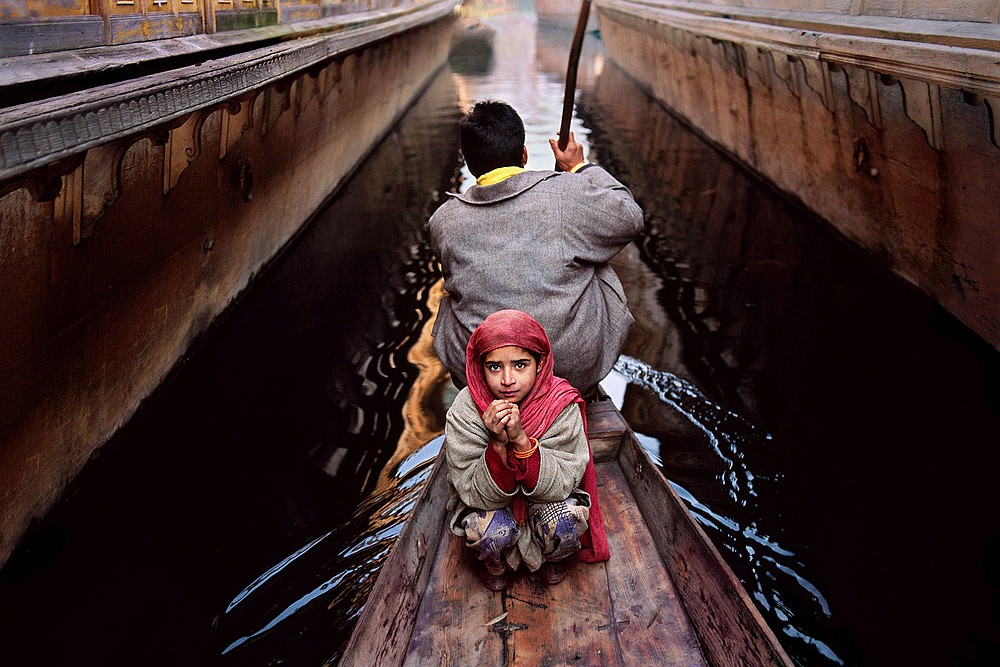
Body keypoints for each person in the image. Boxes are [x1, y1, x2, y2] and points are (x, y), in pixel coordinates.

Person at [429, 99, 644, 398]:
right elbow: (630, 217)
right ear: (524, 154)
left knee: (450, 296)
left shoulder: (443, 221)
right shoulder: (566, 193)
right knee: (596, 251)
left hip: (482, 373)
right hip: (570, 368)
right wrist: (579, 168)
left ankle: (490, 388)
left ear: (468, 161)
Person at [444, 309, 609, 591]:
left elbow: (563, 484)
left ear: (540, 363)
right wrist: (496, 444)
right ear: (479, 367)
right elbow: (471, 491)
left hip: (544, 502)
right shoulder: (465, 410)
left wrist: (521, 441)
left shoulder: (560, 405)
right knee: (487, 529)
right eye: (495, 367)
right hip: (493, 507)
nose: (507, 380)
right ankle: (495, 561)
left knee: (566, 518)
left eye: (520, 365)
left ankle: (554, 555)